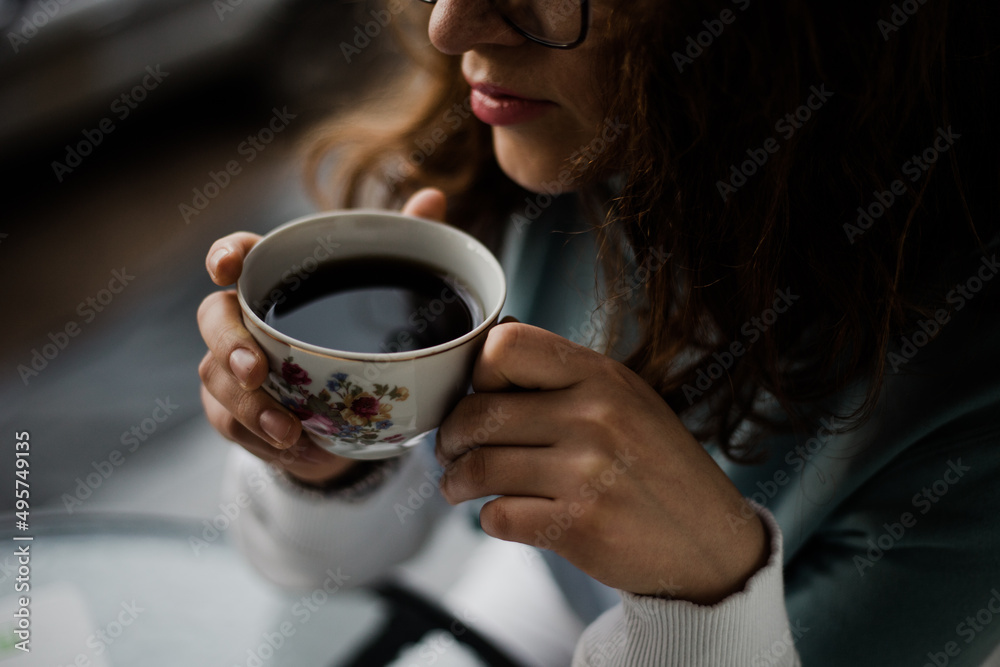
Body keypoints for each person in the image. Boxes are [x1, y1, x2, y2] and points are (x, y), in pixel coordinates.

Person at [197, 0, 1000, 664]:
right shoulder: (539, 145)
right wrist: (334, 452)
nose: (450, 25)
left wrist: (701, 600)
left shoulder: (965, 404)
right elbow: (318, 562)